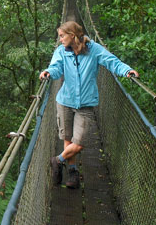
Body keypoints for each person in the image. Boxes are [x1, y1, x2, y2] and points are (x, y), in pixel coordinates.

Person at [39, 21, 138, 189]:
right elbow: (55, 67)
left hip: (86, 103)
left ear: (73, 35)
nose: (60, 39)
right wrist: (48, 73)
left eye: (62, 36)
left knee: (80, 142)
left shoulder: (94, 50)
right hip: (65, 101)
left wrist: (126, 71)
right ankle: (72, 174)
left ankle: (57, 160)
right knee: (68, 138)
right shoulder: (61, 51)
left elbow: (112, 61)